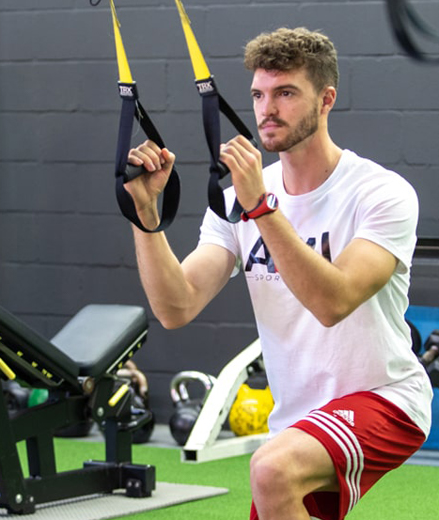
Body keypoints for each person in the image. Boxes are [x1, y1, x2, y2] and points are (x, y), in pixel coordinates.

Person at [125, 27, 432, 520]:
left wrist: (262, 210)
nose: (267, 108)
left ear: (326, 99)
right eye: (259, 94)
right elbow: (176, 305)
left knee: (272, 469)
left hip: (385, 399)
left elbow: (334, 302)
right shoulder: (237, 202)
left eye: (286, 93)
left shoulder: (381, 193)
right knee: (276, 476)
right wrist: (145, 214)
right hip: (299, 421)